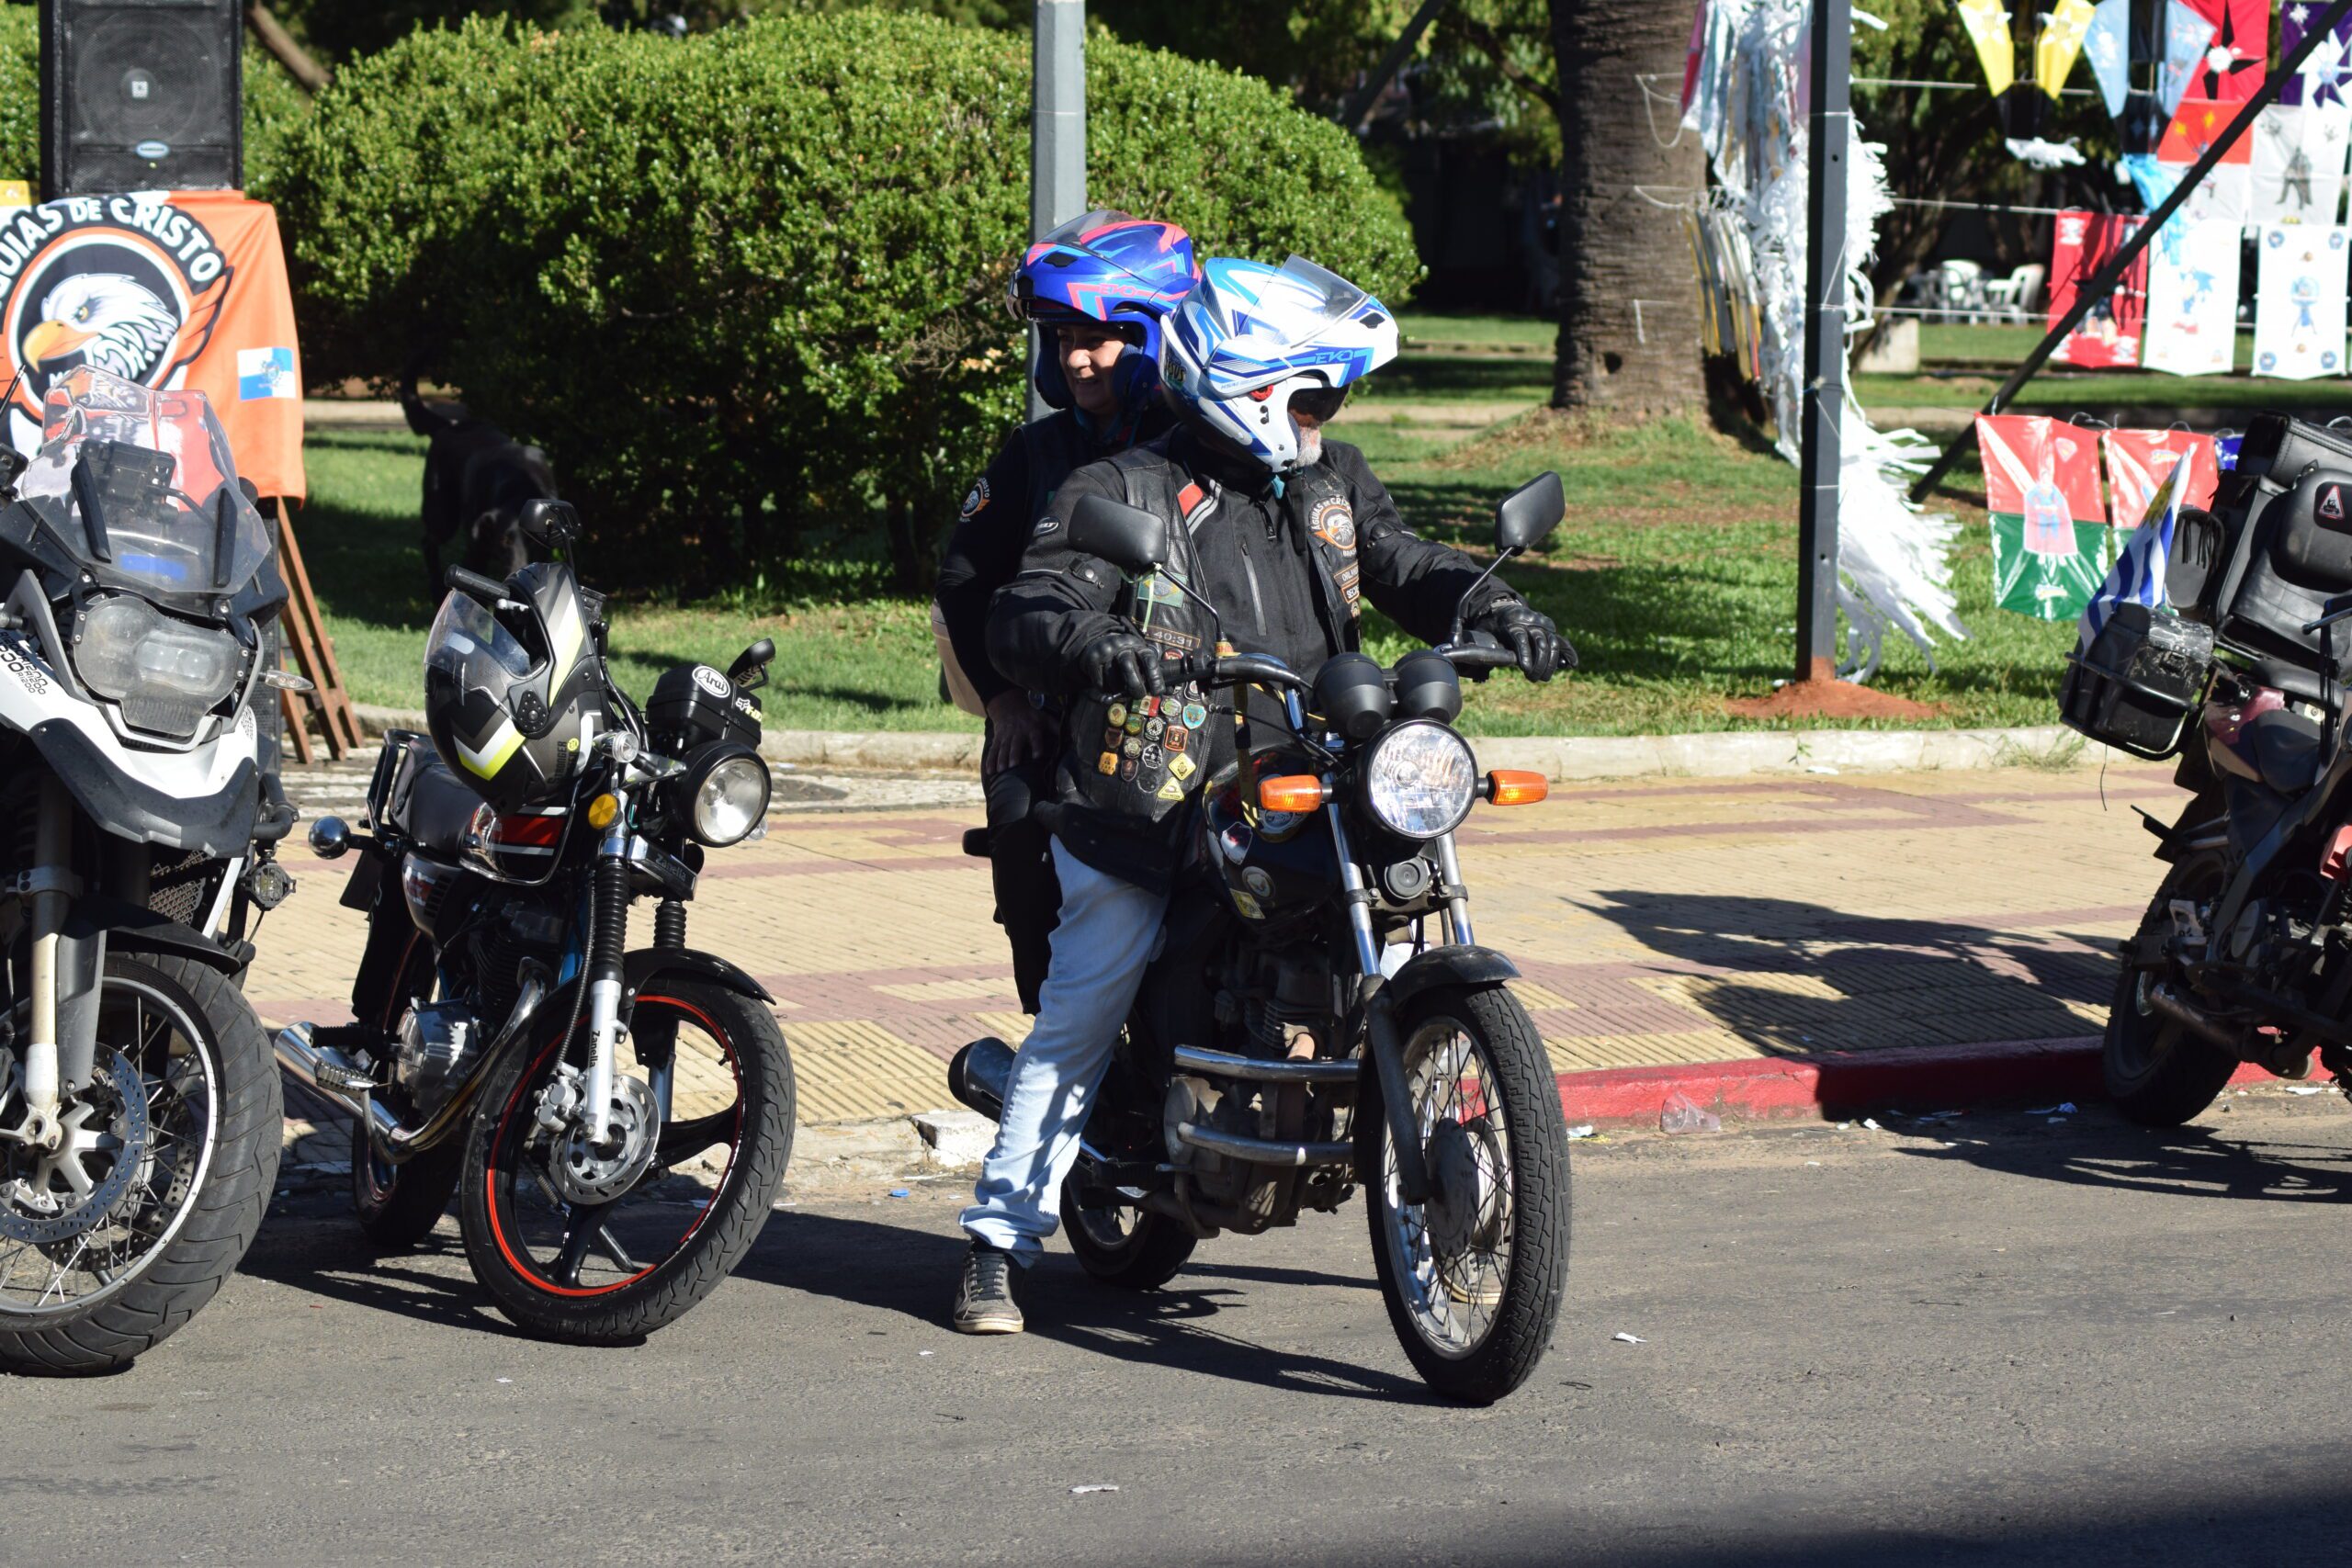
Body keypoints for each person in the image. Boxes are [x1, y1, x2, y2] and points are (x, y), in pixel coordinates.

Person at [948, 254, 1572, 1333]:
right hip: (1153, 796)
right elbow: (1026, 605)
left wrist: (1490, 603)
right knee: (1088, 995)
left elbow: (1400, 556)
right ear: (1251, 390)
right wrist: (1094, 640)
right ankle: (998, 1241)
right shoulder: (1120, 487)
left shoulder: (1328, 483)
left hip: (1314, 769)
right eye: (1313, 397)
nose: (1327, 417)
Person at [932, 211, 1196, 1015]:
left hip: (1181, 714)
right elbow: (963, 577)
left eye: (1096, 337)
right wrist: (1005, 699)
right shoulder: (1033, 454)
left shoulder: (1196, 444)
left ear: (1150, 335)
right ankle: (1063, 1052)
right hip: (1049, 712)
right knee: (1020, 845)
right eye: (1058, 338)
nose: (1074, 358)